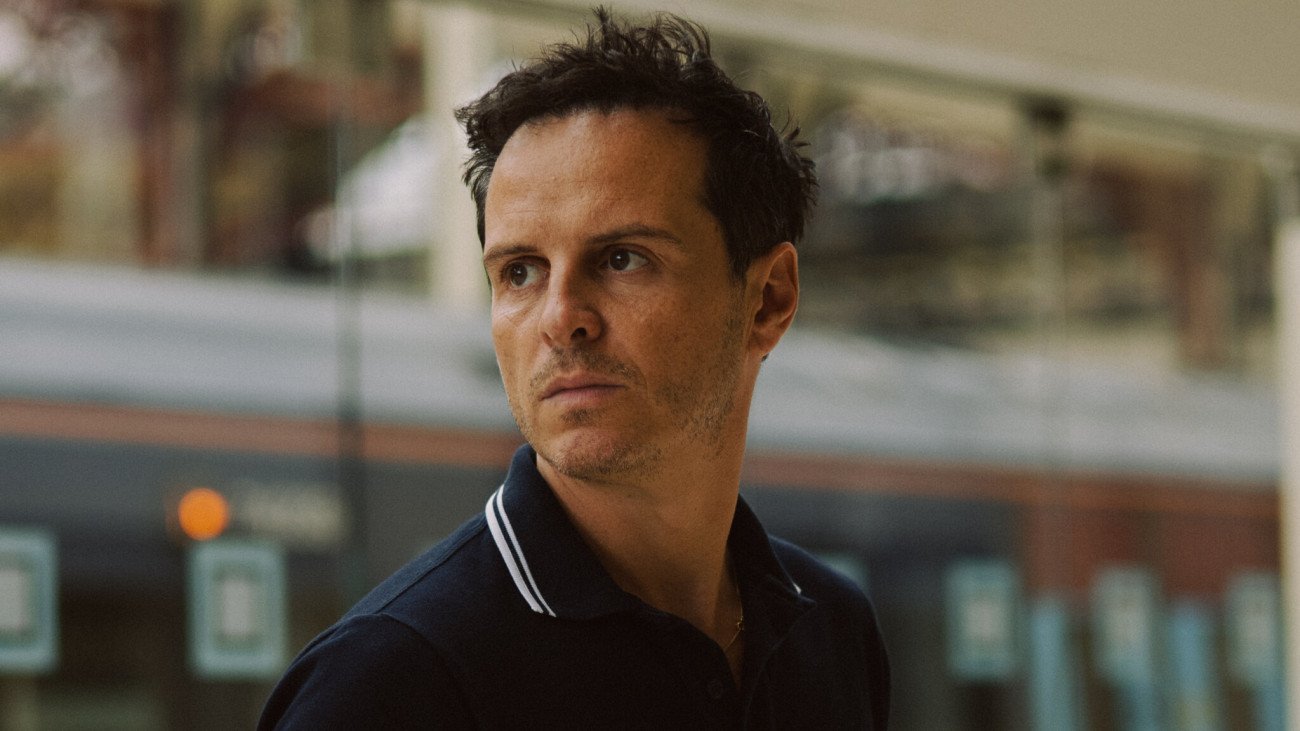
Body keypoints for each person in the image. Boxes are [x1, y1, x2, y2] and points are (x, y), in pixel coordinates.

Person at [259, 8, 889, 729]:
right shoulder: (388, 680)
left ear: (768, 299)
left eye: (622, 259)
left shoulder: (833, 633)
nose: (561, 318)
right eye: (521, 271)